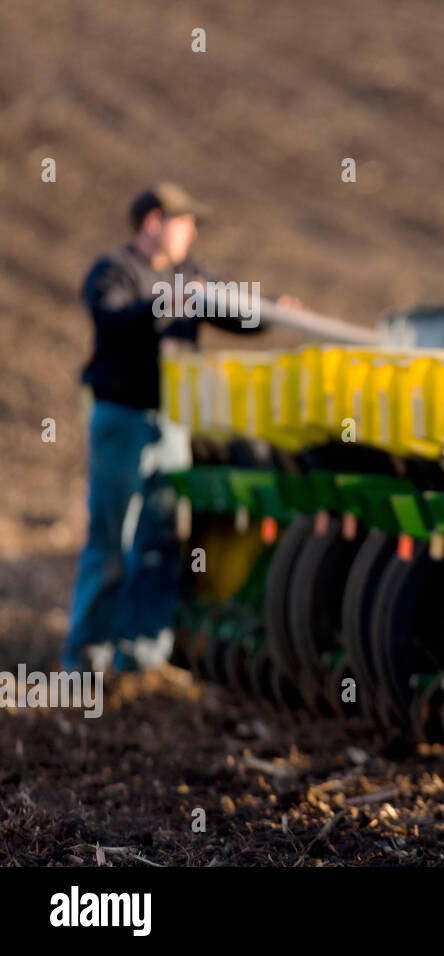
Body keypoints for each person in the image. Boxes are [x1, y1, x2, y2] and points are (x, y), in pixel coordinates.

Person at [63, 183, 299, 674]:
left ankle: (142, 657)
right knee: (112, 538)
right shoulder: (114, 272)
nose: (191, 232)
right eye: (184, 222)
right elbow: (113, 320)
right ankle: (85, 659)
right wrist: (169, 301)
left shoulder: (191, 275)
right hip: (122, 419)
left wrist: (273, 309)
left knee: (162, 536)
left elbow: (233, 311)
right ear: (153, 222)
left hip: (172, 424)